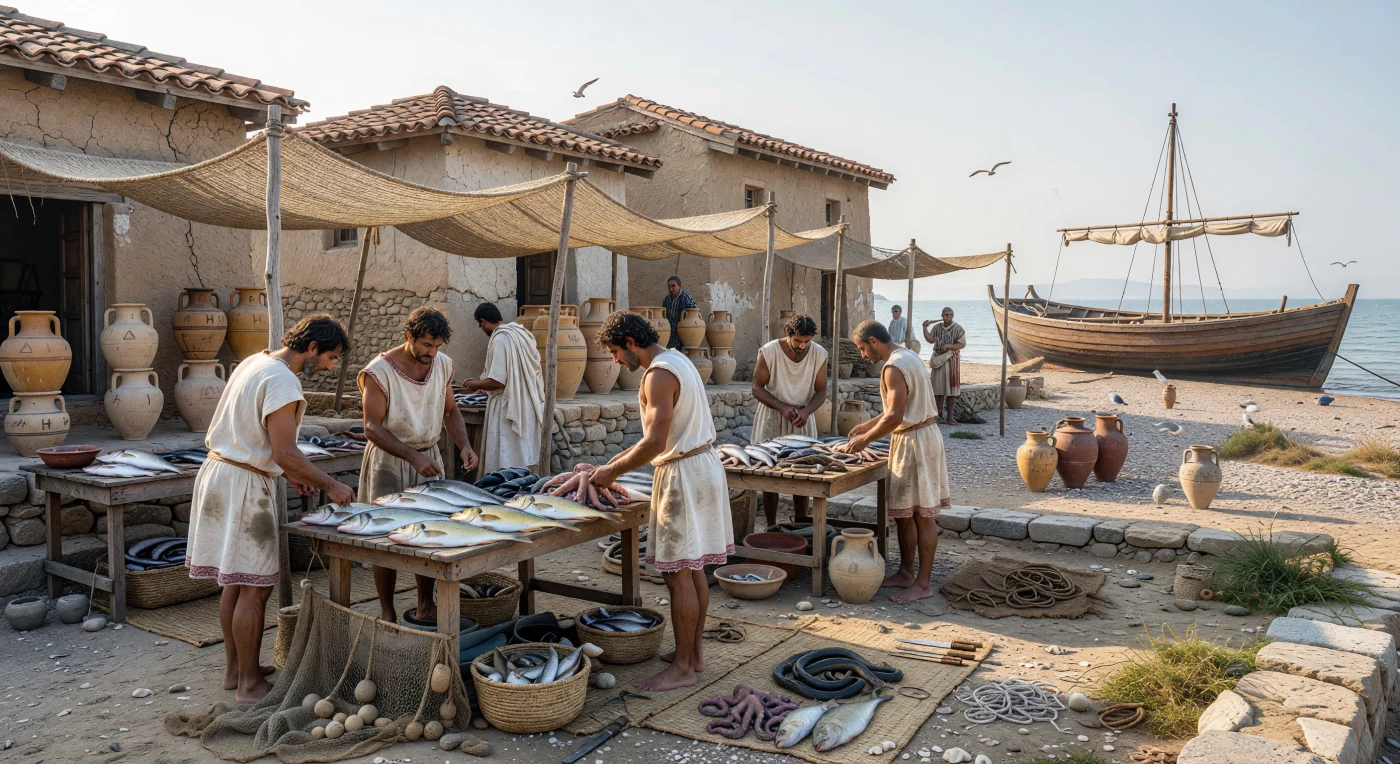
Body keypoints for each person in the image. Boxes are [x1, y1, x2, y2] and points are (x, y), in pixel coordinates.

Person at [185, 315, 356, 702]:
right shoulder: (283, 380)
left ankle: (235, 670)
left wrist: (291, 473)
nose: (330, 367)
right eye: (330, 357)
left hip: (220, 471)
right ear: (311, 348)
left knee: (234, 580)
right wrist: (329, 483)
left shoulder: (255, 361)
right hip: (243, 484)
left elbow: (269, 446)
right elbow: (285, 451)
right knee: (255, 590)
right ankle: (249, 685)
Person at [589, 312, 731, 691]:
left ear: (631, 344)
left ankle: (683, 668)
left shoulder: (658, 374)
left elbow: (654, 441)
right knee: (694, 566)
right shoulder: (678, 359)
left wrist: (611, 471)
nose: (617, 361)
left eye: (617, 352)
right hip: (702, 464)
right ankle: (694, 654)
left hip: (683, 472)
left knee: (677, 574)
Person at [361, 307, 477, 624]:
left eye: (437, 346)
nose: (432, 353)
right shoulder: (379, 372)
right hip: (389, 461)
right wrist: (412, 456)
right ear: (409, 335)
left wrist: (464, 445)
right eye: (426, 345)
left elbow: (450, 411)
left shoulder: (441, 366)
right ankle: (387, 611)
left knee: (429, 534)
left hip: (430, 457)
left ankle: (425, 604)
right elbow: (371, 427)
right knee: (384, 537)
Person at [837, 320, 950, 604]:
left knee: (922, 515)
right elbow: (896, 410)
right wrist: (867, 426)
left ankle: (923, 583)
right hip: (918, 436)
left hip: (916, 441)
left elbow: (895, 417)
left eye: (863, 348)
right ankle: (906, 572)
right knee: (905, 513)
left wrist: (865, 440)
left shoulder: (892, 367)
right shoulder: (907, 355)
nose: (863, 355)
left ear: (875, 341)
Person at [750, 313, 828, 527]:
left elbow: (821, 391)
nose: (802, 346)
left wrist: (807, 411)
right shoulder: (769, 351)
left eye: (806, 342)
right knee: (769, 476)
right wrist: (782, 407)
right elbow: (757, 388)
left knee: (804, 475)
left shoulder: (819, 354)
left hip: (802, 420)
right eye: (798, 341)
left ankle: (801, 526)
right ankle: (771, 526)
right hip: (772, 418)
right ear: (788, 333)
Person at [461, 302, 545, 474]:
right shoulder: (522, 334)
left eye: (480, 325)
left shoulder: (500, 339)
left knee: (508, 456)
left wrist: (475, 383)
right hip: (527, 401)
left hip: (509, 405)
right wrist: (480, 384)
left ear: (483, 322)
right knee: (524, 451)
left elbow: (498, 382)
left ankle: (504, 489)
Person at [922, 307, 966, 423]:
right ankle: (939, 416)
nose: (947, 317)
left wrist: (949, 347)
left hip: (952, 361)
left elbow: (962, 344)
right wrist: (924, 328)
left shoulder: (958, 328)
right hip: (938, 360)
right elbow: (930, 339)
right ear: (942, 315)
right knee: (937, 390)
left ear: (952, 315)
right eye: (945, 315)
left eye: (949, 315)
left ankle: (950, 418)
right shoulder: (937, 327)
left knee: (952, 391)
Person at [660, 276, 697, 350]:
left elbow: (694, 312)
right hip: (670, 334)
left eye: (673, 286)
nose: (671, 289)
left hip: (684, 333)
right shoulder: (666, 300)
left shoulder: (686, 297)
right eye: (669, 287)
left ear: (679, 286)